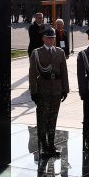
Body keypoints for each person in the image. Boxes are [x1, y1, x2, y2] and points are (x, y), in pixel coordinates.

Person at [28, 27, 69, 157]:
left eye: (52, 38)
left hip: (56, 89)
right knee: (42, 118)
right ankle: (43, 145)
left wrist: (65, 89)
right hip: (43, 88)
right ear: (43, 39)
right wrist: (33, 91)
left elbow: (64, 72)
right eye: (48, 38)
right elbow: (33, 73)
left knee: (53, 118)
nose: (51, 40)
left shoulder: (60, 52)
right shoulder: (37, 53)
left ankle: (51, 144)